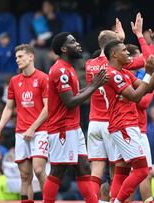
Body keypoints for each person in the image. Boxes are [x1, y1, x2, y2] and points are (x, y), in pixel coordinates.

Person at [85, 13, 154, 198]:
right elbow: (146, 61)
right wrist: (148, 42)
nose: (127, 52)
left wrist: (118, 40)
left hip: (95, 121)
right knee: (125, 171)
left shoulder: (91, 64)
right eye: (123, 47)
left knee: (100, 171)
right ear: (114, 50)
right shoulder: (118, 71)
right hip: (117, 122)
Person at [43, 32, 108, 203]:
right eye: (72, 42)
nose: (78, 44)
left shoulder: (69, 68)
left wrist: (91, 86)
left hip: (73, 126)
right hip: (62, 129)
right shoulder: (60, 71)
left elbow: (74, 95)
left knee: (84, 168)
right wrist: (94, 86)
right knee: (58, 170)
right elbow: (70, 102)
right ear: (64, 48)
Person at [103, 39, 154, 203]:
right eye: (124, 50)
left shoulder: (124, 73)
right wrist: (148, 72)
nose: (127, 53)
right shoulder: (113, 74)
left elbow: (146, 88)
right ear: (114, 54)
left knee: (122, 170)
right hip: (124, 125)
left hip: (124, 126)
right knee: (141, 171)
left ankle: (113, 199)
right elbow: (136, 96)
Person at [0, 44, 49, 203]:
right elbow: (9, 108)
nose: (17, 60)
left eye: (20, 56)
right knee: (25, 176)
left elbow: (48, 107)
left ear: (31, 57)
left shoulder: (43, 78)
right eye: (16, 57)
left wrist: (32, 128)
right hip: (21, 133)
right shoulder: (14, 81)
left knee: (39, 170)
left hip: (40, 131)